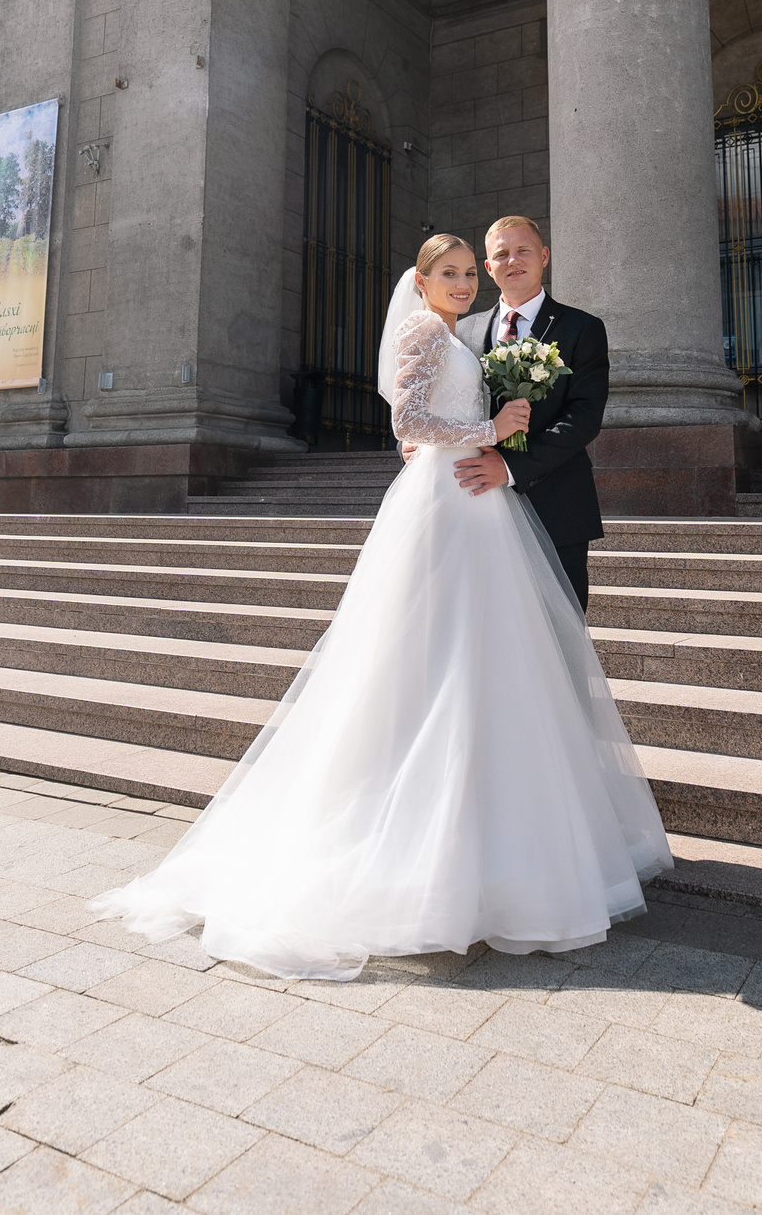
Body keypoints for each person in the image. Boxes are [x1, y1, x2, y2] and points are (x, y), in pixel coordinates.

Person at [91, 234, 670, 981]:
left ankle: (499, 838)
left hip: (486, 506)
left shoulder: (470, 333)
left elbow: (466, 414)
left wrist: (489, 442)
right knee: (433, 664)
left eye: (474, 270)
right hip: (449, 502)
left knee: (492, 669)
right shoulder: (426, 329)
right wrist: (487, 432)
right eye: (455, 271)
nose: (468, 281)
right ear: (422, 280)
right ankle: (430, 852)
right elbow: (410, 425)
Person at [449, 217, 609, 607]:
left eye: (523, 250)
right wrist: (411, 442)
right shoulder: (462, 331)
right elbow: (438, 399)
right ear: (488, 267)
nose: (513, 260)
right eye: (501, 254)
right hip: (475, 506)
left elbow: (584, 417)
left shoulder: (582, 328)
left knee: (561, 632)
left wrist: (510, 468)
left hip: (557, 504)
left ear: (544, 256)